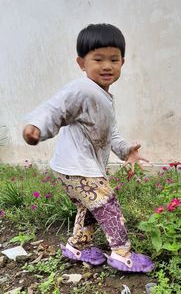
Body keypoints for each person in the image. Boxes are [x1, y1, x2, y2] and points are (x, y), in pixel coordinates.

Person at [23, 23, 154, 273]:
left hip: (74, 168)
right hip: (78, 168)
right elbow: (56, 108)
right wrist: (37, 126)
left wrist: (126, 150)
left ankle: (77, 247)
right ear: (81, 63)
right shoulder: (82, 89)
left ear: (122, 63)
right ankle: (122, 253)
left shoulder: (103, 96)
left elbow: (111, 133)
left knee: (90, 208)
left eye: (113, 59)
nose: (107, 66)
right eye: (98, 59)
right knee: (108, 205)